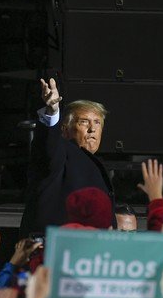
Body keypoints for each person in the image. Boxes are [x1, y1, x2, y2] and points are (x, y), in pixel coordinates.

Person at [19, 78, 116, 236]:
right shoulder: (61, 152)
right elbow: (48, 144)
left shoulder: (93, 162)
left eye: (97, 123)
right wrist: (52, 111)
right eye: (84, 122)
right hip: (57, 251)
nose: (92, 129)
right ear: (64, 130)